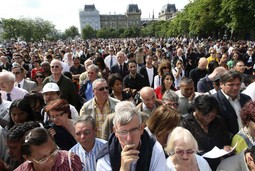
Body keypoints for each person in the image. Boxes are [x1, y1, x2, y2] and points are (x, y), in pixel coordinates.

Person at [96, 101, 166, 171]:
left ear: (141, 128)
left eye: (133, 130)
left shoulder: (155, 150)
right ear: (115, 132)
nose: (129, 138)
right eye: (123, 132)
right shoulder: (106, 156)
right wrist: (124, 168)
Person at [181, 95, 231, 170]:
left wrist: (227, 146)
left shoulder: (219, 121)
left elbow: (226, 139)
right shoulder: (185, 124)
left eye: (212, 116)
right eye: (205, 115)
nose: (208, 119)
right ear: (196, 110)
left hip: (220, 165)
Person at [14, 127, 82, 171]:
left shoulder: (70, 162)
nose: (51, 160)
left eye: (53, 152)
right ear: (27, 157)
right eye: (43, 159)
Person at [213, 71, 251, 135]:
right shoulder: (214, 101)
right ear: (221, 84)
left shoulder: (246, 99)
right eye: (231, 85)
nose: (235, 88)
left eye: (238, 84)